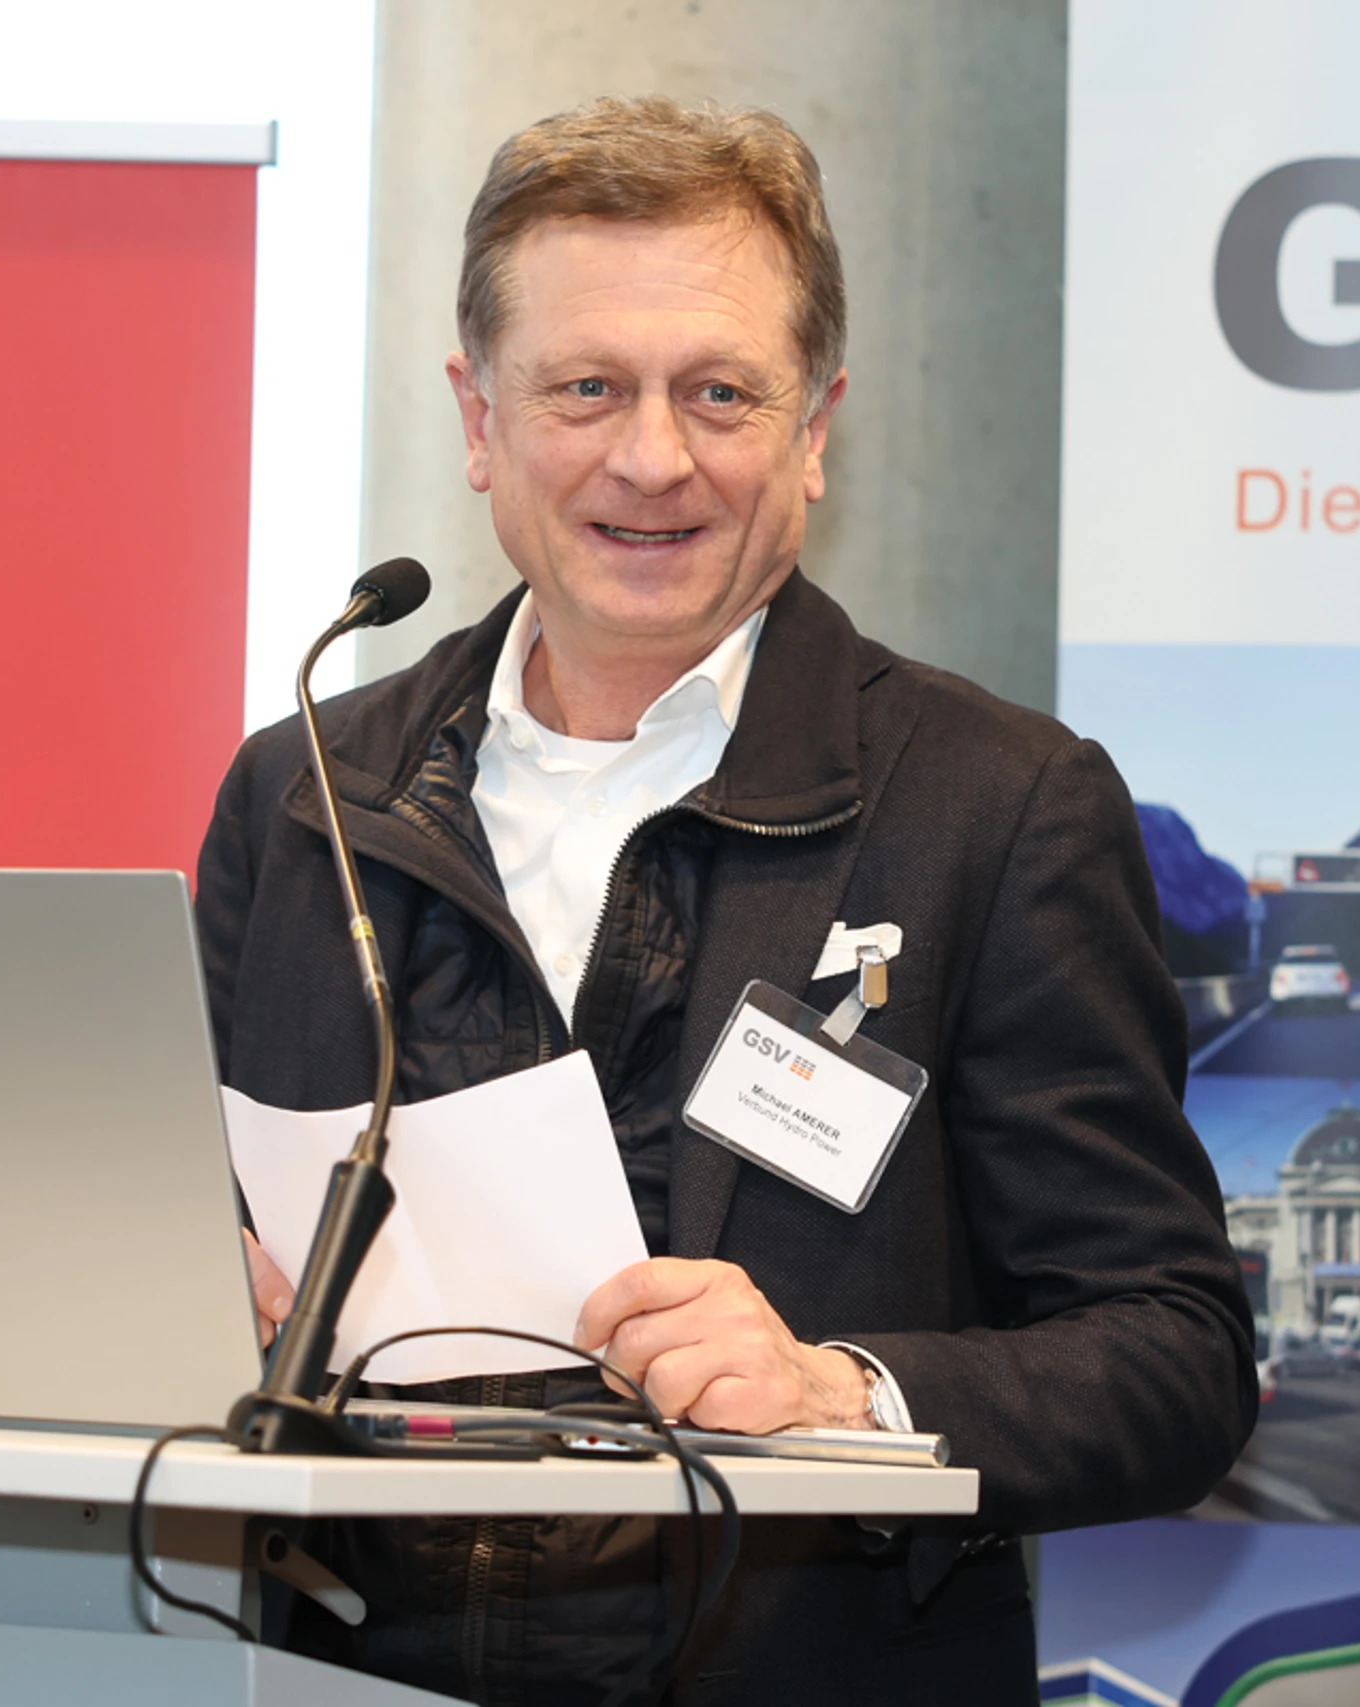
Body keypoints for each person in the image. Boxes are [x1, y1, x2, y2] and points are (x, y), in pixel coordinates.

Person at [196, 94, 1255, 1706]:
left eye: (720, 392)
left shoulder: (998, 808)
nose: (652, 457)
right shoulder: (302, 795)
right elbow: (189, 1234)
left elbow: (1176, 1355)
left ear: (814, 428)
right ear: (479, 417)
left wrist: (843, 1390)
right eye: (586, 388)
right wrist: (188, 1297)